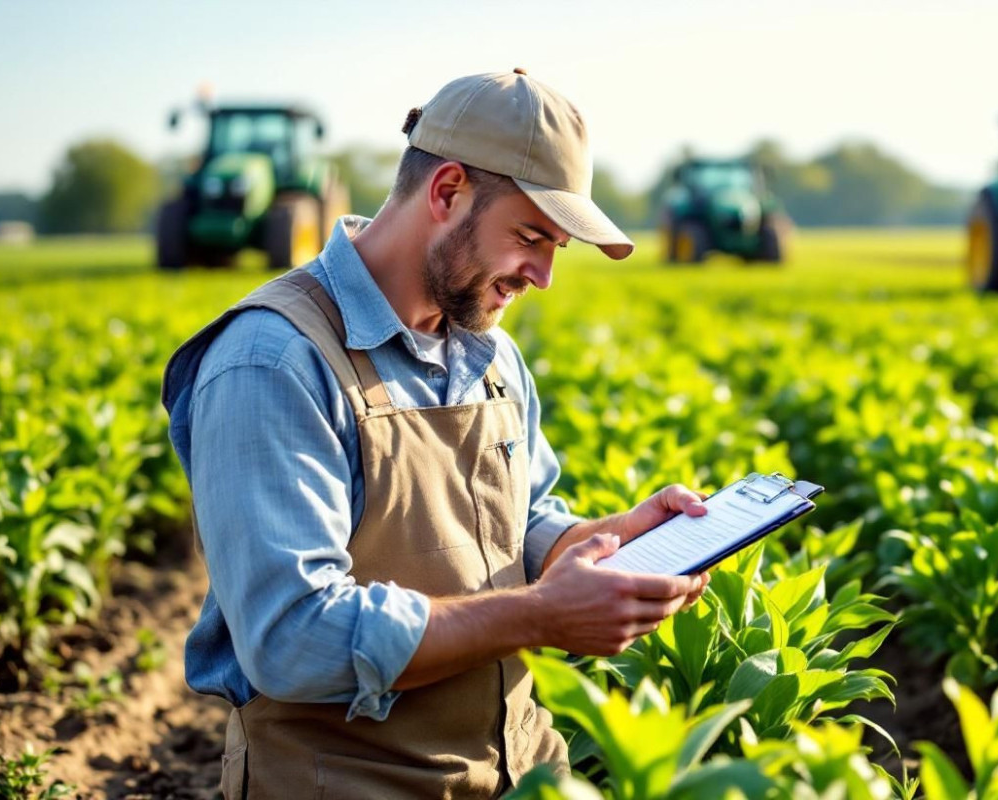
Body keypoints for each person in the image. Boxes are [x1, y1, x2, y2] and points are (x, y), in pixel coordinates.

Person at [161, 69, 711, 799]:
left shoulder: (491, 355)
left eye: (557, 249)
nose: (543, 275)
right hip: (349, 782)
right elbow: (291, 637)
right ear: (447, 191)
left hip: (522, 769)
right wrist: (542, 615)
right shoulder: (273, 360)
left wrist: (610, 541)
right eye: (530, 236)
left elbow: (522, 524)